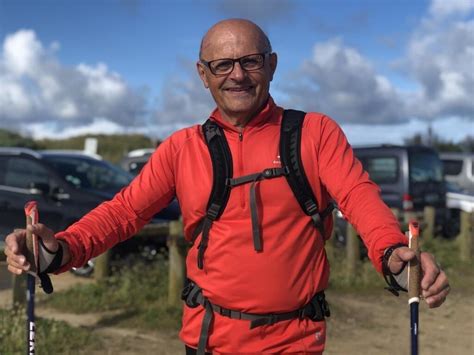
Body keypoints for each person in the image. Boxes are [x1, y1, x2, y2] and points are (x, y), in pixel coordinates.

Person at [5, 19, 450, 354]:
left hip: (297, 342)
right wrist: (57, 251)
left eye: (250, 61)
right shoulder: (182, 148)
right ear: (204, 74)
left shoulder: (315, 134)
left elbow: (357, 196)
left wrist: (392, 252)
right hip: (208, 341)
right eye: (223, 65)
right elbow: (123, 213)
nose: (237, 75)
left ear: (271, 65)